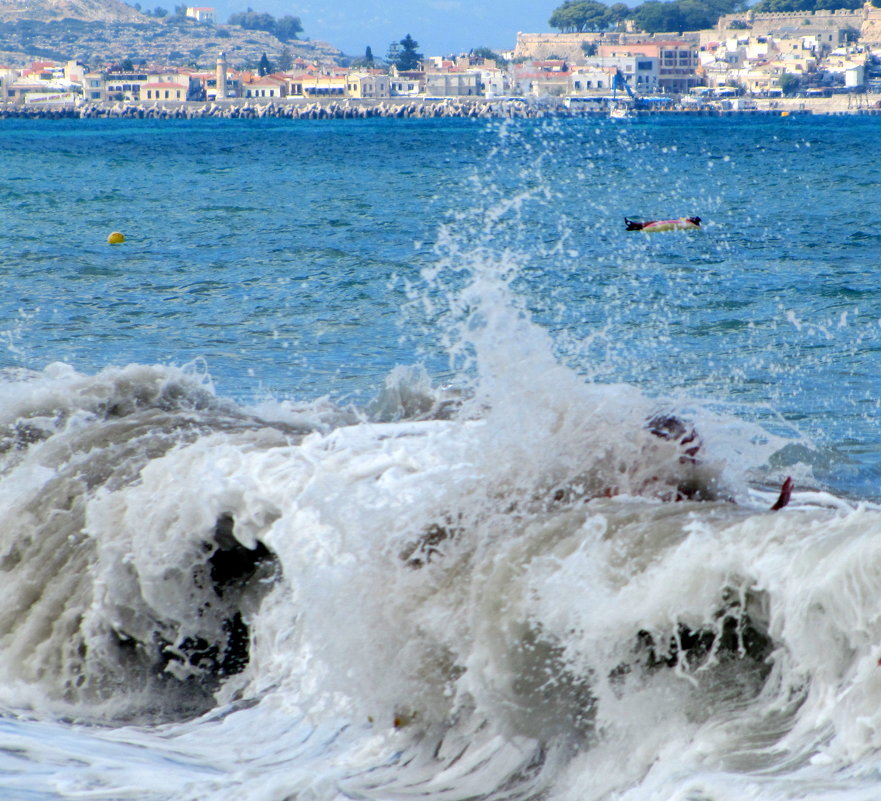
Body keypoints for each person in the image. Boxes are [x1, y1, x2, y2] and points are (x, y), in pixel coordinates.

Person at [625, 216, 701, 231]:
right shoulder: (683, 221)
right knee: (657, 222)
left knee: (657, 222)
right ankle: (636, 225)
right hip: (661, 224)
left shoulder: (689, 224)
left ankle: (637, 226)